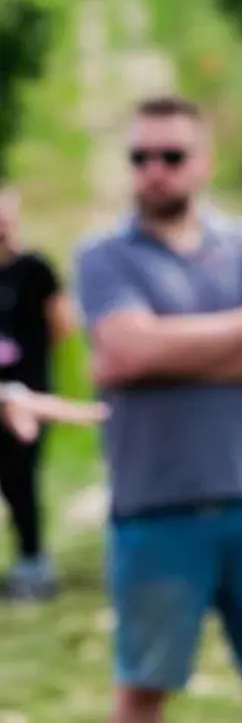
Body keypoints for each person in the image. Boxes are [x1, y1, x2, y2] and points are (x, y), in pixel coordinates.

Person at [73, 95, 242, 723]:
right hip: (153, 507)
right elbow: (122, 352)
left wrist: (159, 348)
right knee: (143, 685)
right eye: (140, 157)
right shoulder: (103, 257)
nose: (154, 170)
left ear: (202, 164)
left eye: (171, 156)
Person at [0, 184, 79, 600]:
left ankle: (32, 562)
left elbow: (65, 326)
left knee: (20, 477)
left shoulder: (35, 270)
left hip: (30, 393)